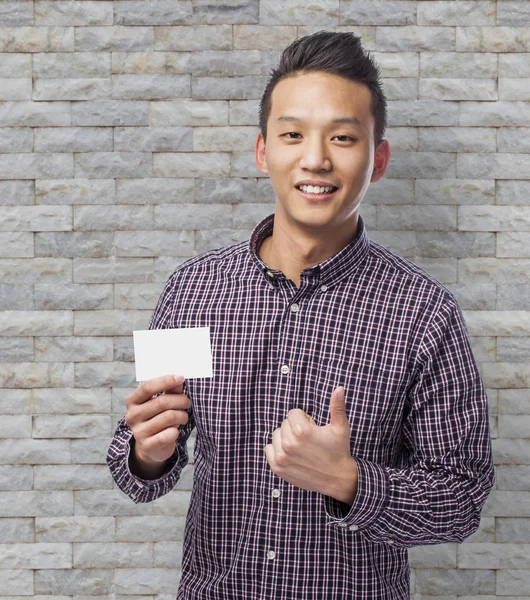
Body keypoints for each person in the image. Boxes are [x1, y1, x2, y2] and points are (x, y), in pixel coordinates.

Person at [107, 31, 495, 599]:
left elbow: (461, 502)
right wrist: (147, 452)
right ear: (263, 150)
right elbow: (137, 473)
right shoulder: (191, 291)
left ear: (377, 159)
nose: (315, 158)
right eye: (293, 135)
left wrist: (350, 481)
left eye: (342, 137)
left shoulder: (423, 313)